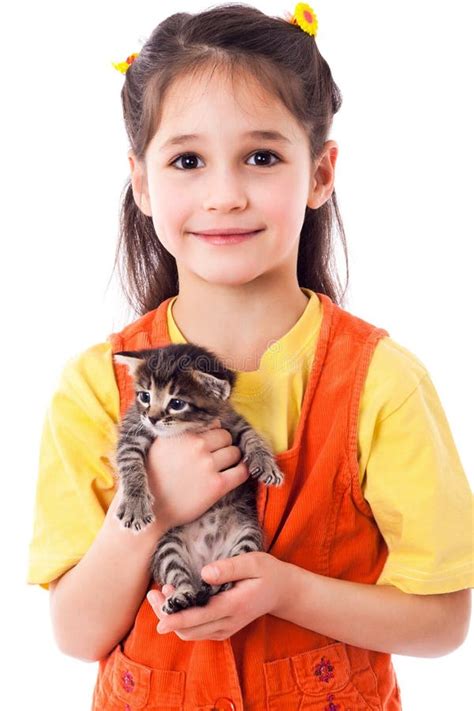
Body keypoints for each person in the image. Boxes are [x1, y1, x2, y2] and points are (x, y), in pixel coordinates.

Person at [27, 3, 473, 709]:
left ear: (321, 172)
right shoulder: (98, 384)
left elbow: (445, 620)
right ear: (142, 181)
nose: (225, 194)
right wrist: (154, 500)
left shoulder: (379, 382)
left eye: (261, 157)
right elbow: (77, 632)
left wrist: (288, 590)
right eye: (187, 160)